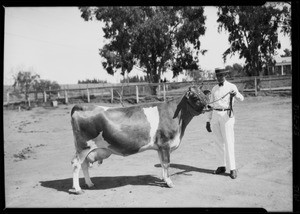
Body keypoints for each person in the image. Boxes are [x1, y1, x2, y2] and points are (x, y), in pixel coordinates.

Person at [206, 68, 244, 179]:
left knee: (229, 141)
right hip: (215, 116)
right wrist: (208, 120)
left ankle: (233, 168)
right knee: (218, 142)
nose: (219, 78)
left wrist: (235, 93)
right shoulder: (214, 89)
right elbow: (211, 105)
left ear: (225, 76)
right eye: (217, 76)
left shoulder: (232, 86)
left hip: (227, 116)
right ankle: (221, 166)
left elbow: (241, 98)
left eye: (221, 75)